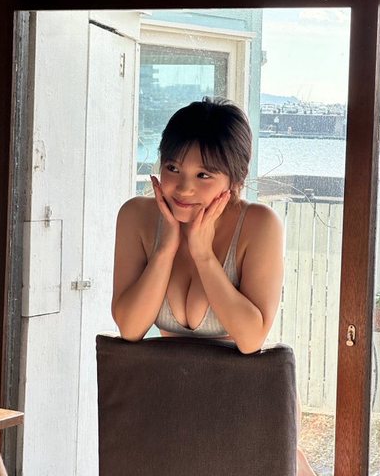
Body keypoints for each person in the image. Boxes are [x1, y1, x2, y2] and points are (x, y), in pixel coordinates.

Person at [112, 97, 316, 476]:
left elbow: (250, 339)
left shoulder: (259, 224)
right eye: (173, 168)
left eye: (204, 175)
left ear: (235, 180)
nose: (183, 188)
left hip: (247, 407)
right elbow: (131, 327)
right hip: (170, 407)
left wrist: (204, 255)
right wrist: (166, 248)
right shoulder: (136, 216)